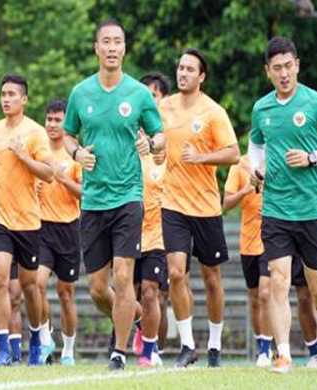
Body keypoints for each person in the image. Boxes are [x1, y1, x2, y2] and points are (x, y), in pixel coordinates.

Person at [62, 19, 165, 370]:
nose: (110, 48)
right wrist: (77, 154)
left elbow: (160, 137)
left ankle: (119, 353)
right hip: (93, 201)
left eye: (117, 42)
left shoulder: (138, 93)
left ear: (124, 48)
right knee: (95, 288)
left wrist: (149, 143)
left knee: (124, 277)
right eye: (104, 42)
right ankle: (135, 318)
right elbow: (67, 136)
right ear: (96, 48)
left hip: (128, 197)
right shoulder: (81, 93)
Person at [249, 36, 317, 374]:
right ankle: (284, 355)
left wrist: (312, 157)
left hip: (311, 210)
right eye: (277, 68)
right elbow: (255, 145)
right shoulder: (262, 108)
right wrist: (256, 170)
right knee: (277, 280)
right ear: (268, 72)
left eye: (289, 66)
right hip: (275, 209)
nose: (284, 73)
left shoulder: (316, 103)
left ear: (298, 65)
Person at [159, 48, 240, 368]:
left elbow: (233, 153)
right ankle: (188, 345)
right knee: (176, 273)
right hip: (172, 203)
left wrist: (202, 158)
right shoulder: (163, 107)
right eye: (180, 68)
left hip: (206, 206)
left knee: (211, 279)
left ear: (201, 76)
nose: (183, 74)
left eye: (190, 69)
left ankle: (215, 347)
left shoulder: (213, 112)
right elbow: (154, 140)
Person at [0, 74, 54, 367]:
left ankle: (36, 338)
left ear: (24, 100)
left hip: (28, 221)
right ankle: (4, 348)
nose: (6, 99)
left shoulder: (34, 133)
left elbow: (48, 174)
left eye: (12, 94)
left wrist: (23, 155)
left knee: (29, 286)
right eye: (3, 94)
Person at [35, 98, 83, 366]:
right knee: (38, 284)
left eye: (58, 120)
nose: (53, 125)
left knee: (66, 294)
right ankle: (45, 338)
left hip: (68, 229)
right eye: (49, 119)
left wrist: (64, 179)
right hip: (41, 228)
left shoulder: (75, 154)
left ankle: (68, 350)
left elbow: (85, 194)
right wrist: (35, 189)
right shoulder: (38, 151)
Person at [223, 155, 273, 367]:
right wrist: (245, 190)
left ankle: (265, 350)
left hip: (271, 239)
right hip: (248, 241)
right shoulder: (240, 164)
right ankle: (261, 341)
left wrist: (273, 208)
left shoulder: (277, 160)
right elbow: (226, 203)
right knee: (254, 297)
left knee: (265, 294)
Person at [139, 71, 171, 360]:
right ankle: (129, 341)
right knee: (129, 291)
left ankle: (153, 351)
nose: (149, 100)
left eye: (155, 94)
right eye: (144, 95)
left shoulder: (171, 139)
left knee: (153, 292)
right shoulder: (129, 138)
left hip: (161, 233)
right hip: (128, 231)